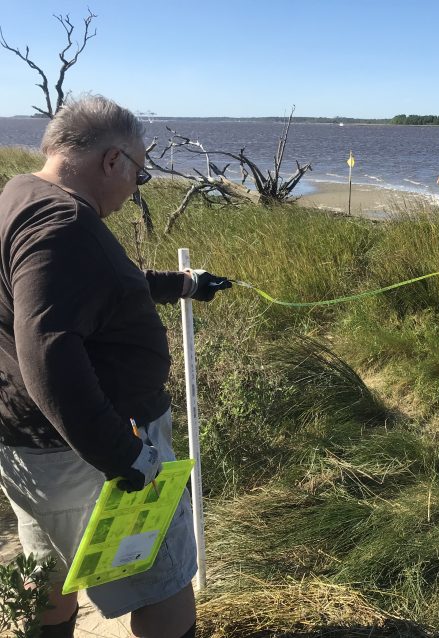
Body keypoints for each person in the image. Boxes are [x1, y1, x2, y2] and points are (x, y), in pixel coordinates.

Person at [0, 95, 231, 637]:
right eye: (140, 175)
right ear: (113, 161)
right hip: (93, 454)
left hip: (33, 445)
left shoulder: (19, 195)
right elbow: (47, 350)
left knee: (48, 574)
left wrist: (183, 285)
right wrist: (124, 455)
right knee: (164, 586)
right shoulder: (62, 223)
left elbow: (89, 289)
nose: (134, 188)